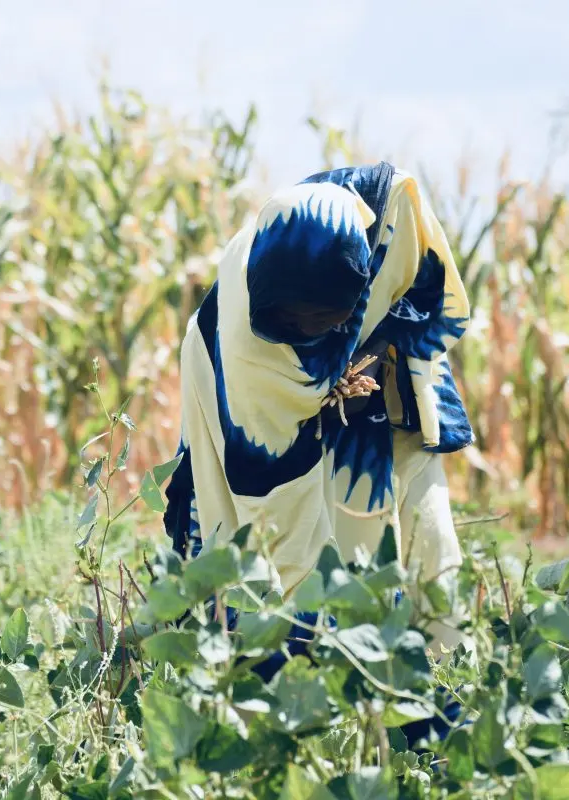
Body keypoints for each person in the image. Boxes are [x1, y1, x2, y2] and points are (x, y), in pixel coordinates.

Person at [162, 162, 474, 662]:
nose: (306, 329)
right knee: (273, 551)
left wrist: (363, 361)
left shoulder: (389, 215)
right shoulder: (253, 354)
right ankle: (317, 661)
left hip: (382, 380)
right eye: (291, 318)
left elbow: (426, 291)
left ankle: (436, 673)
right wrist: (303, 620)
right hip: (241, 384)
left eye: (325, 318)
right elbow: (276, 506)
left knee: (423, 532)